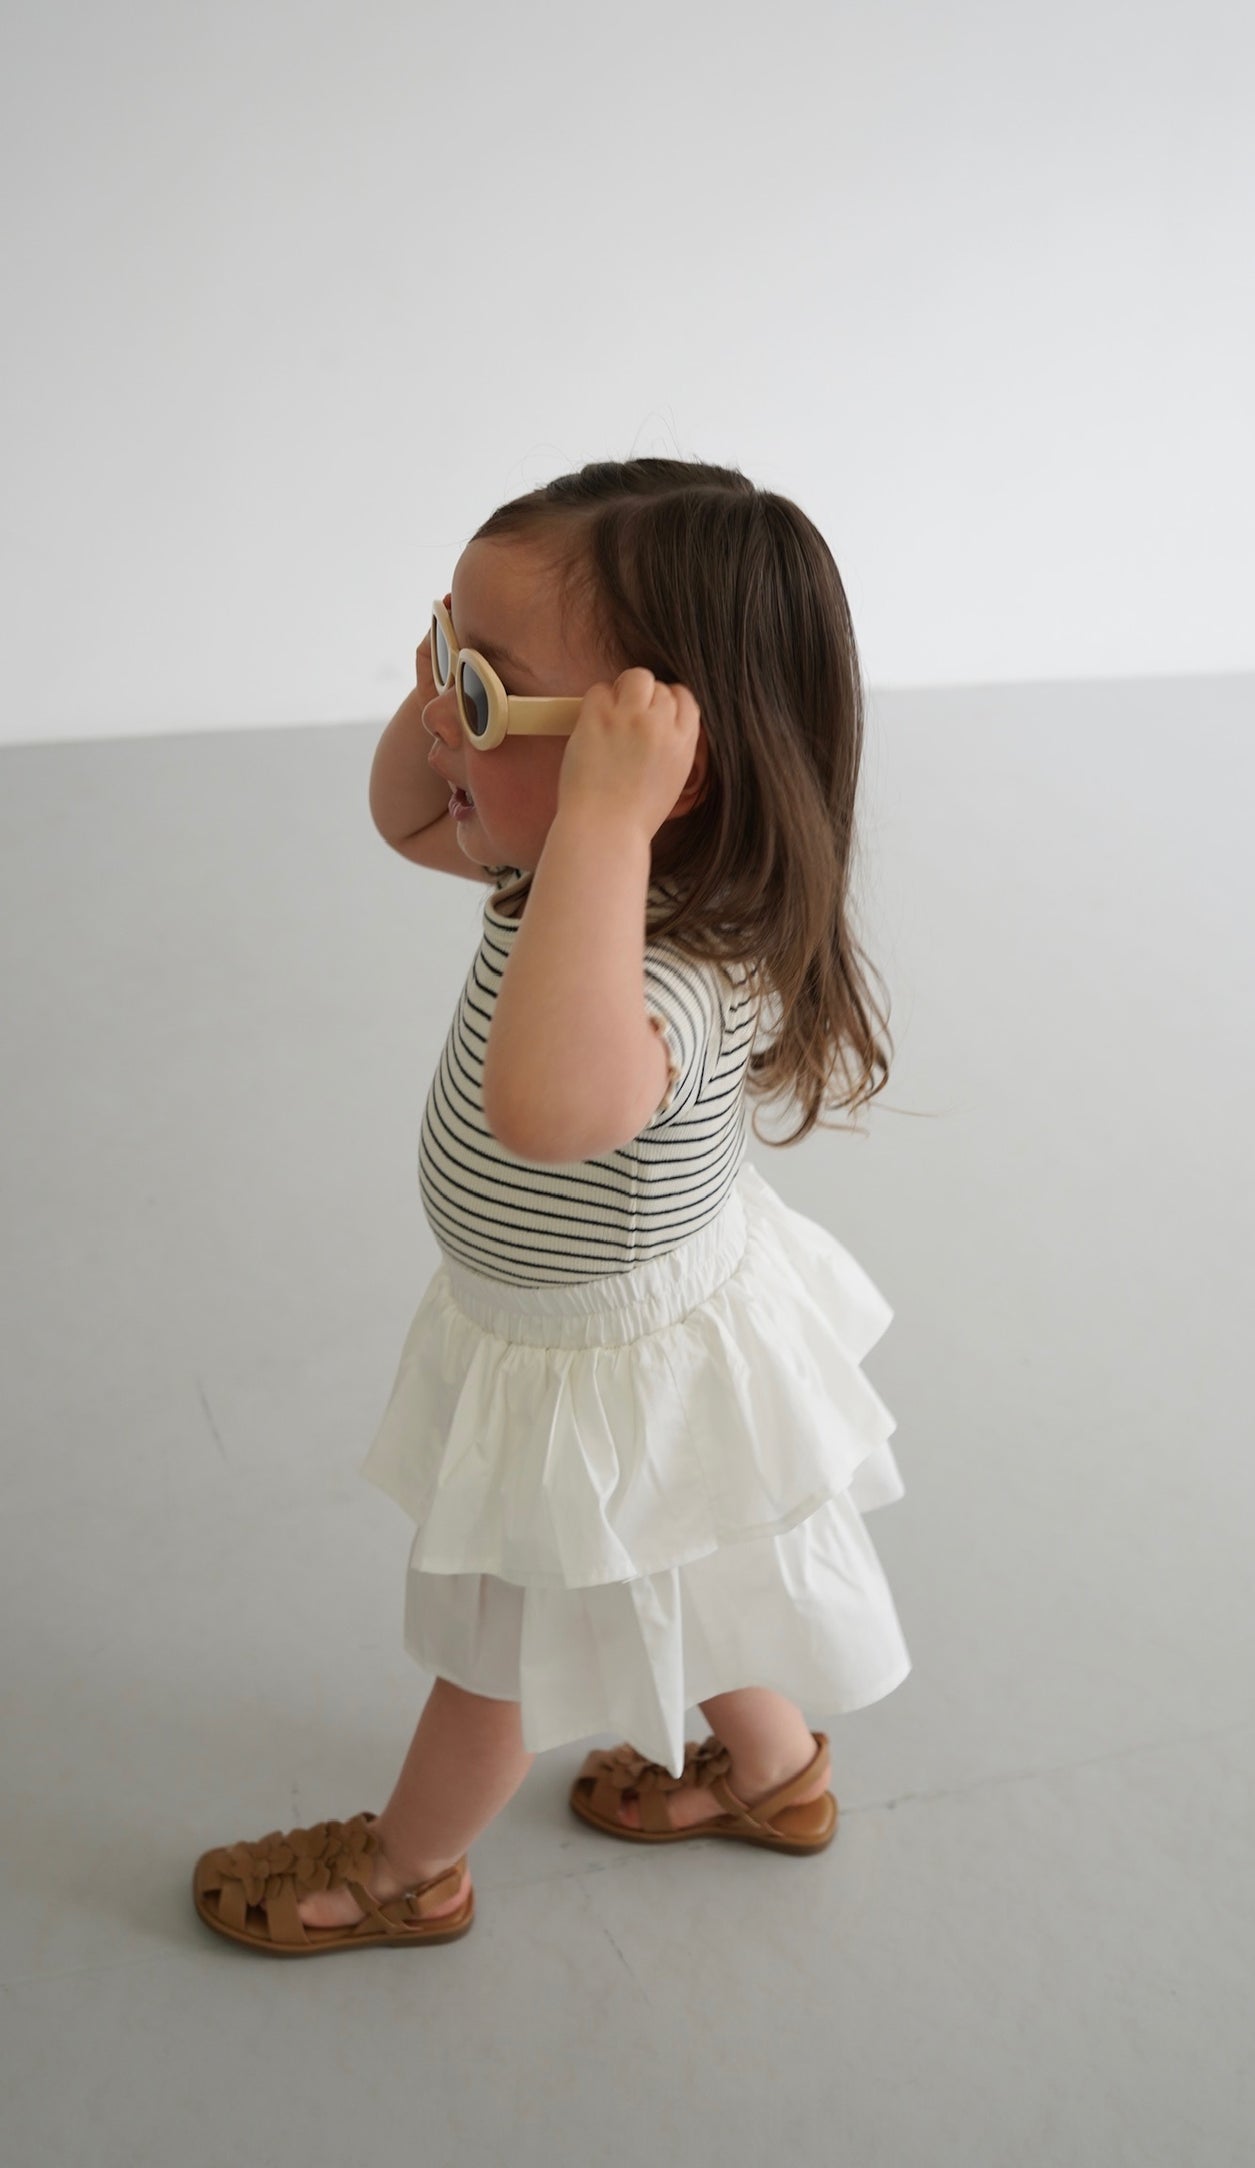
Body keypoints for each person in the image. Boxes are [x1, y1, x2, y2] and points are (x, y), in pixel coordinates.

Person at [192, 457, 911, 1955]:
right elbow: (406, 819)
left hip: (595, 1372)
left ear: (656, 781)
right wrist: (464, 703)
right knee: (699, 1556)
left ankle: (407, 1870)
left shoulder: (669, 965)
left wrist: (594, 827)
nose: (443, 728)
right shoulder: (570, 875)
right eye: (444, 658)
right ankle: (775, 1777)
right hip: (604, 1330)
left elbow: (542, 1107)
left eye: (483, 693)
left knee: (500, 1652)